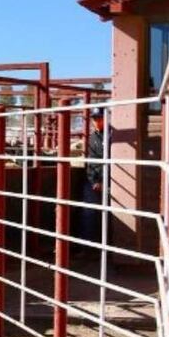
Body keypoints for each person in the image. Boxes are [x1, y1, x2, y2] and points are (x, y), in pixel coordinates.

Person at [76, 108, 106, 257]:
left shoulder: (111, 136)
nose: (96, 121)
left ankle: (100, 249)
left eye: (99, 118)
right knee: (88, 213)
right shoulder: (93, 138)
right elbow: (92, 161)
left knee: (97, 214)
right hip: (93, 179)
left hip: (105, 180)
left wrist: (100, 180)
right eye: (94, 119)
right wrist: (94, 180)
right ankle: (87, 248)